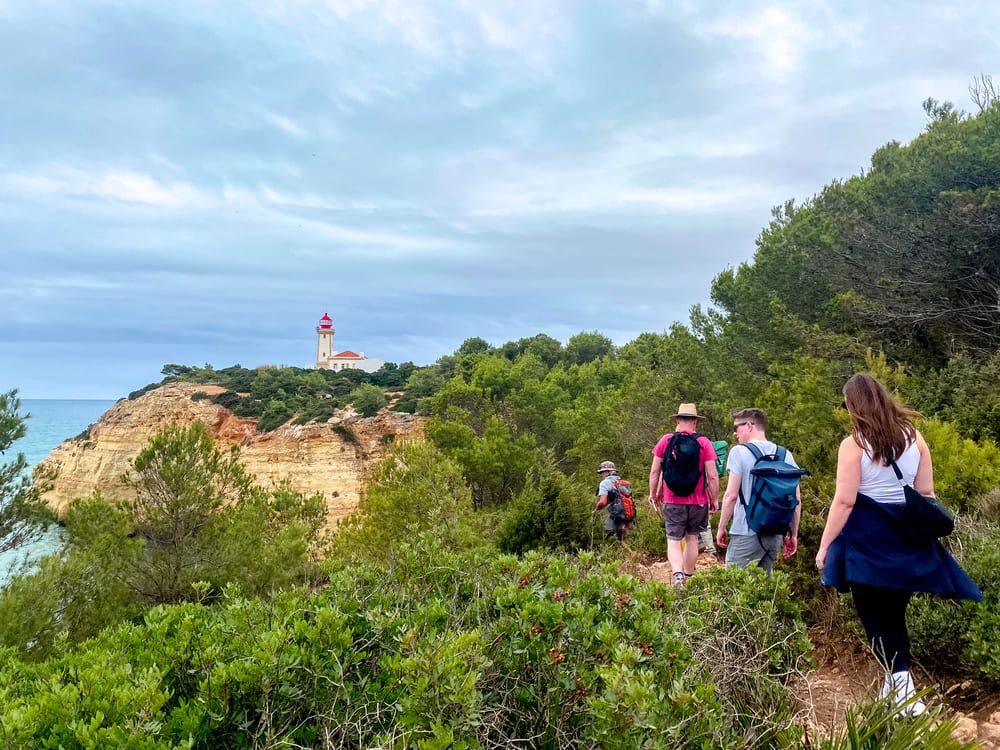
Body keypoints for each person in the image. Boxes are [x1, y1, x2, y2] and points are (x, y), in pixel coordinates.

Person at [816, 374, 982, 715]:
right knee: (893, 616)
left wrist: (824, 546)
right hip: (905, 539)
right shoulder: (915, 437)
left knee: (875, 619)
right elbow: (927, 494)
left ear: (853, 404)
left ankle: (908, 698)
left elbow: (844, 502)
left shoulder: (853, 446)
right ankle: (893, 695)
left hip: (868, 542)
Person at [716, 408, 800, 573]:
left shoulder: (739, 452)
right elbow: (796, 499)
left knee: (734, 587)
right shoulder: (785, 455)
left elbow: (731, 496)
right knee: (764, 590)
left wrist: (721, 527)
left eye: (736, 428)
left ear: (749, 426)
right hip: (774, 533)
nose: (735, 434)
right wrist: (793, 533)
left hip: (745, 531)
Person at [648, 403, 718, 588]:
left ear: (678, 420)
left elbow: (655, 471)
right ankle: (688, 576)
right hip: (698, 501)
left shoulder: (666, 440)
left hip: (672, 500)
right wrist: (714, 498)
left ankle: (677, 576)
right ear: (695, 422)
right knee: (692, 538)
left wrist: (653, 493)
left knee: (673, 540)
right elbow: (712, 475)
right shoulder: (704, 442)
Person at [594, 460, 632, 540]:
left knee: (608, 533)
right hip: (629, 513)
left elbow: (603, 502)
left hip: (616, 514)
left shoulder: (604, 483)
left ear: (606, 471)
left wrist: (594, 510)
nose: (602, 475)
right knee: (627, 537)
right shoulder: (623, 483)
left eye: (602, 472)